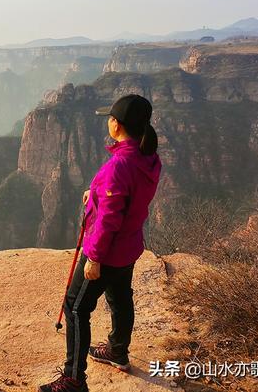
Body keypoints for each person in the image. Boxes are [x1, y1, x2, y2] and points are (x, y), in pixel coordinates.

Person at [39, 94, 162, 392]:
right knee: (120, 297)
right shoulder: (148, 157)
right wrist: (94, 194)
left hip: (106, 251)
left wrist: (93, 257)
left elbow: (109, 219)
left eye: (110, 118)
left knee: (75, 308)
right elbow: (124, 200)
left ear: (117, 125)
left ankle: (73, 379)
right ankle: (118, 350)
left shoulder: (119, 165)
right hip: (129, 246)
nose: (107, 122)